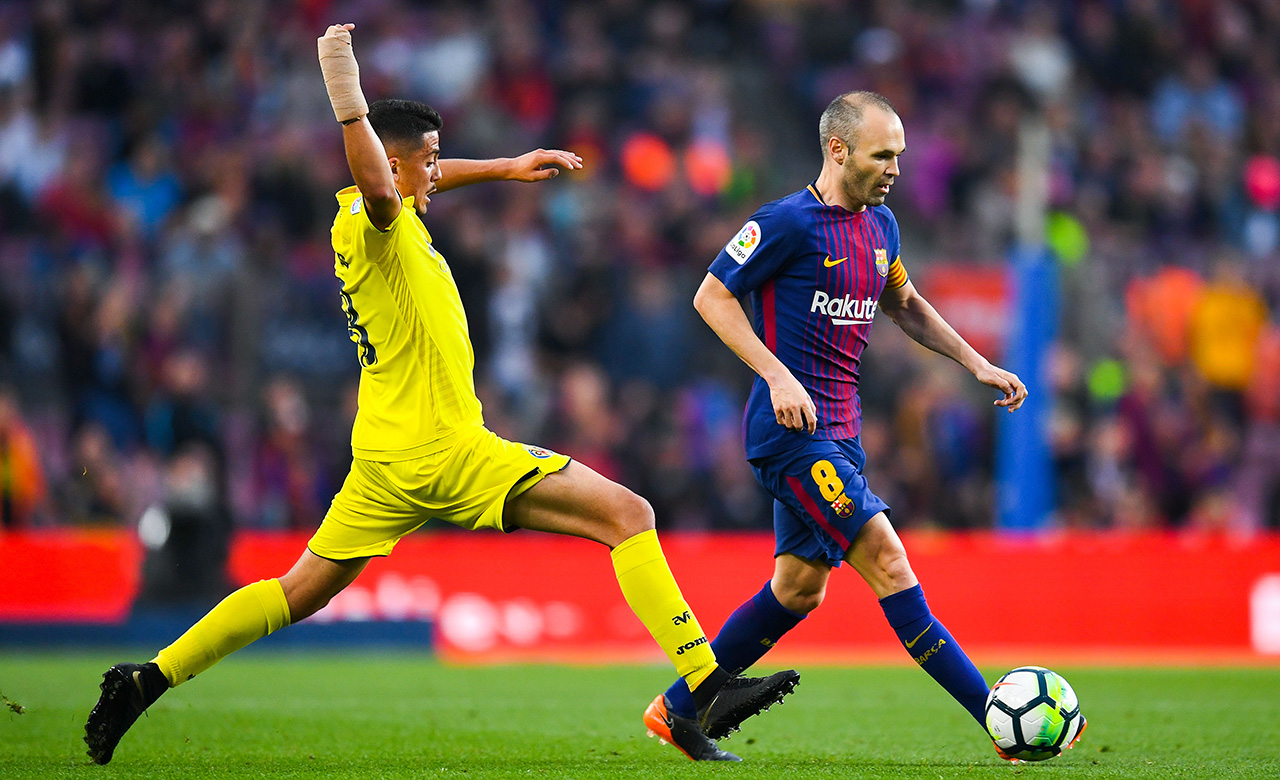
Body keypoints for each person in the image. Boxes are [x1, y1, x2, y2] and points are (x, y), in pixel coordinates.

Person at [84, 23, 797, 766]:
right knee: (629, 514)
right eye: (423, 160)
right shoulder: (377, 221)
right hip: (444, 449)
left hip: (384, 458)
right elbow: (381, 179)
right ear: (389, 164)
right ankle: (701, 687)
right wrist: (343, 85)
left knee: (296, 591)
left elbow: (405, 176)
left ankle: (146, 679)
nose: (435, 172)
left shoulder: (376, 214)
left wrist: (504, 166)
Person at [643, 91, 1082, 761]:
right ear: (838, 150)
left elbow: (903, 303)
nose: (896, 168)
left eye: (900, 155)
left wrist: (976, 362)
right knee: (888, 558)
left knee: (798, 589)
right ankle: (996, 719)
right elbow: (711, 295)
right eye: (884, 154)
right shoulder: (786, 223)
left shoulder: (882, 228)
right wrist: (775, 373)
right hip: (790, 432)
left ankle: (677, 706)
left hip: (840, 433)